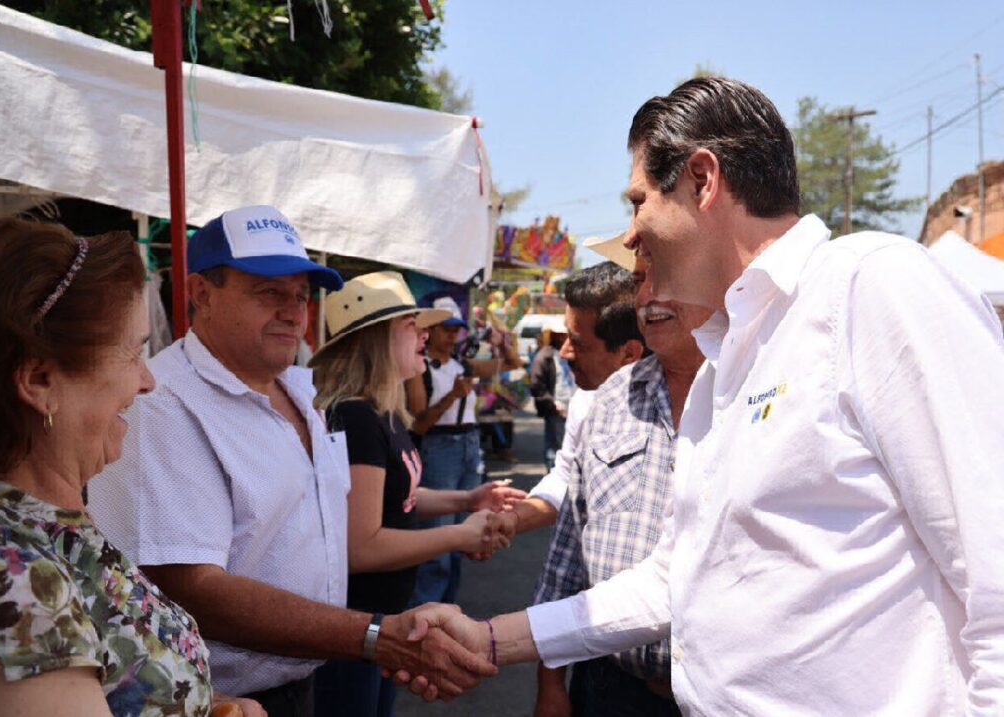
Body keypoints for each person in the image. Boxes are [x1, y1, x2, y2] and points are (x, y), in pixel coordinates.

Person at [400, 77, 1004, 715]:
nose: (630, 235)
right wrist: (493, 639)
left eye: (638, 202)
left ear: (702, 179)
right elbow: (677, 578)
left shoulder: (872, 287)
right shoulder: (727, 359)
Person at [87, 206, 495, 716]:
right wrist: (374, 635)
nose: (292, 310)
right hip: (219, 702)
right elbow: (191, 588)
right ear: (200, 294)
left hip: (305, 677)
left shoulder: (303, 391)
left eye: (301, 295)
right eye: (268, 292)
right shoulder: (166, 405)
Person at [0, 217, 261, 716]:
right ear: (40, 380)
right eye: (134, 352)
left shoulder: (49, 520)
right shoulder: (15, 581)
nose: (148, 381)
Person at [308, 272, 522, 716]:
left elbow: (399, 499)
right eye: (412, 324)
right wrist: (460, 535)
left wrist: (465, 500)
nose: (425, 334)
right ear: (377, 338)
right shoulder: (356, 417)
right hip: (353, 627)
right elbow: (362, 547)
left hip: (379, 622)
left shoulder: (379, 413)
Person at [532, 252, 707, 717]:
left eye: (663, 276)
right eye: (639, 281)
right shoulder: (611, 399)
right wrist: (550, 684)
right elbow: (568, 554)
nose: (646, 298)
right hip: (611, 690)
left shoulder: (751, 394)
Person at [484, 259, 645, 543]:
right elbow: (566, 479)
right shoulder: (585, 402)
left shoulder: (684, 410)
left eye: (578, 342)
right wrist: (512, 519)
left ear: (629, 353)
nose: (565, 353)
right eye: (565, 338)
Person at [405, 296, 522, 606]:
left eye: (456, 329)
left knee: (464, 535)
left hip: (468, 444)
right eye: (446, 328)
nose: (453, 335)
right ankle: (424, 614)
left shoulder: (462, 364)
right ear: (430, 330)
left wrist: (500, 341)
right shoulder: (420, 369)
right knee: (437, 541)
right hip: (439, 447)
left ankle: (445, 609)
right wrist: (453, 397)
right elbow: (418, 425)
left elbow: (512, 363)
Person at [528, 318, 576, 471]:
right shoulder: (544, 356)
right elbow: (537, 385)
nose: (564, 338)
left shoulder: (571, 352)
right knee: (555, 449)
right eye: (561, 334)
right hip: (556, 409)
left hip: (573, 408)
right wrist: (551, 404)